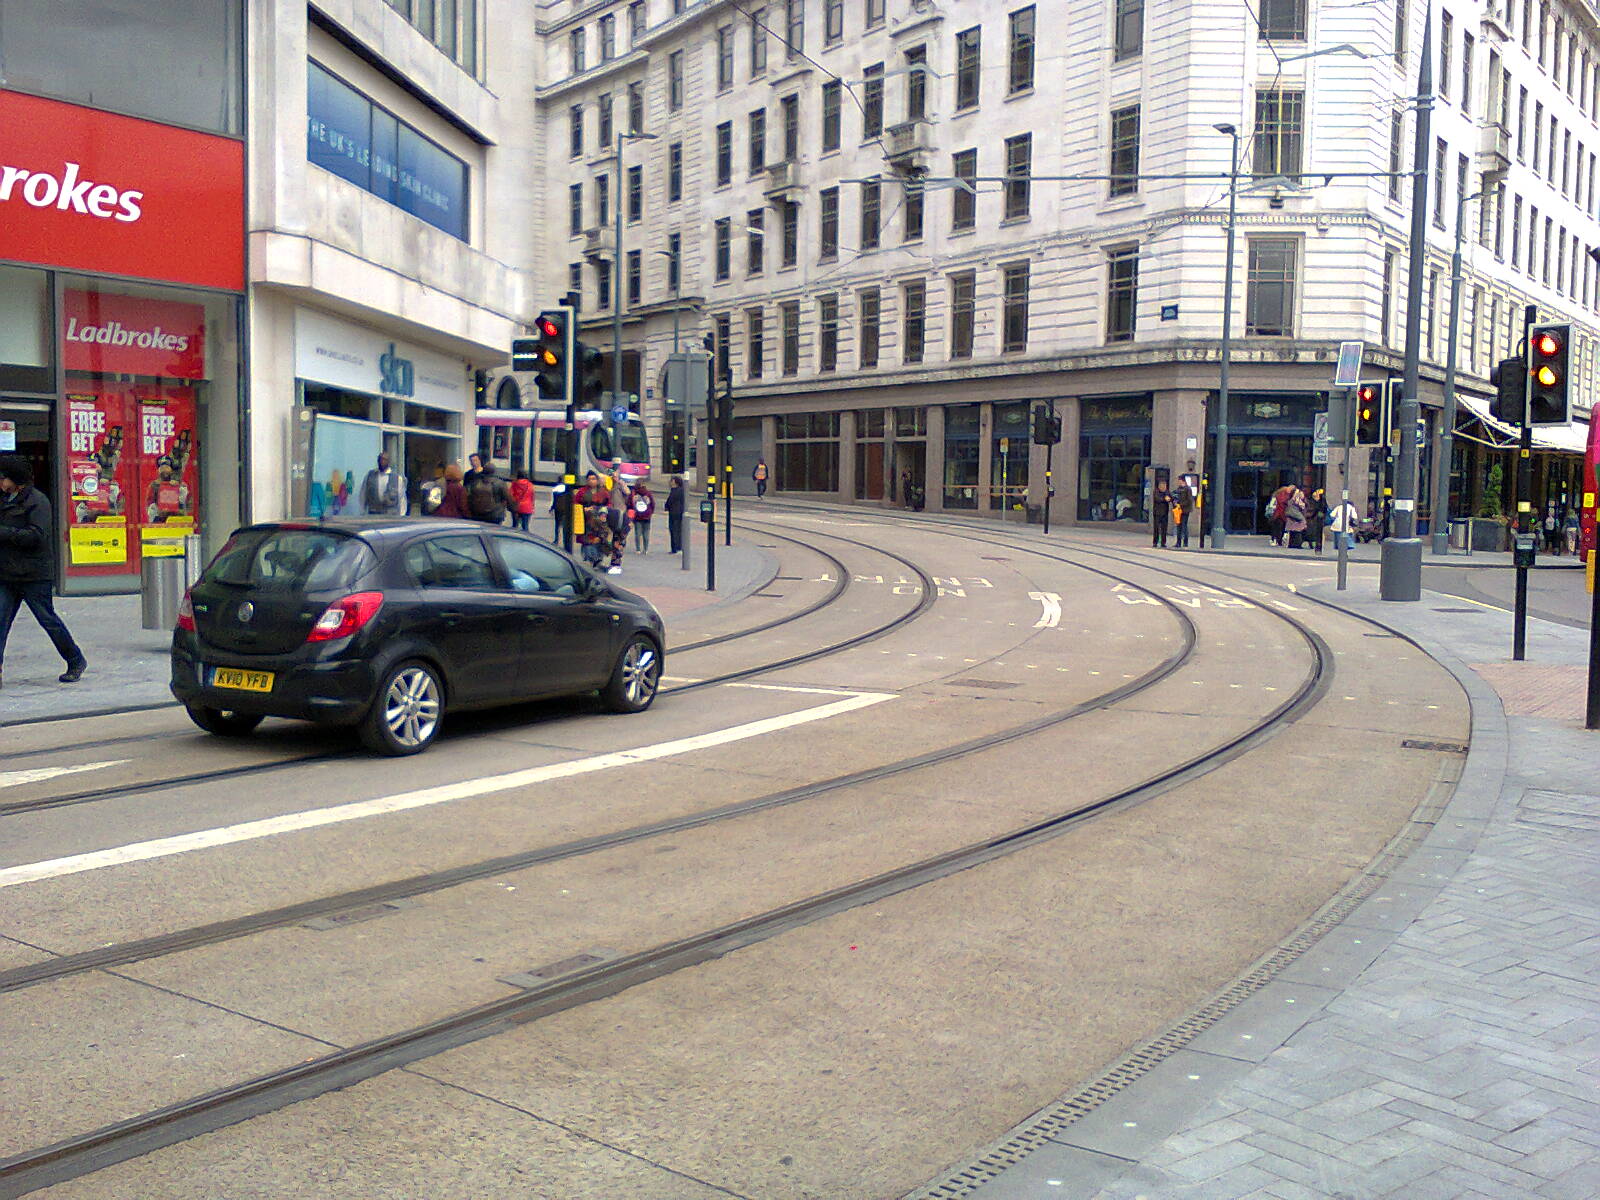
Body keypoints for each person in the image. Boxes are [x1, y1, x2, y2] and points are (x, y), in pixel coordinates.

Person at [0, 455, 87, 688]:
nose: (0, 482)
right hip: (7, 574)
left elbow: (37, 536)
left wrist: (4, 532)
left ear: (15, 480)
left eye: (3, 478)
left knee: (47, 620)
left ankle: (75, 659)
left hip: (34, 575)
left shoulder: (38, 501)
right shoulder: (4, 499)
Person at [573, 471, 611, 568]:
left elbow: (609, 504)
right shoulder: (582, 492)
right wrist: (583, 509)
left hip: (600, 522)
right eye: (589, 479)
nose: (591, 481)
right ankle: (590, 558)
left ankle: (598, 558)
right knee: (588, 540)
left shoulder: (603, 492)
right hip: (586, 521)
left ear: (597, 480)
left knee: (600, 539)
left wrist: (604, 512)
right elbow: (576, 504)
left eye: (593, 479)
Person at [603, 476, 630, 573]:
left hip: (621, 516)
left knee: (618, 541)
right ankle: (605, 561)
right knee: (606, 540)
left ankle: (615, 563)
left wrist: (621, 484)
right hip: (608, 516)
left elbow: (628, 493)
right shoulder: (606, 485)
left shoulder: (620, 486)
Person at [631, 480, 655, 552]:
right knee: (646, 533)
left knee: (638, 533)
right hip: (647, 516)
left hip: (638, 516)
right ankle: (645, 549)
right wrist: (651, 512)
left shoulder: (634, 494)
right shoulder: (648, 493)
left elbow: (630, 504)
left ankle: (638, 549)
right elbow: (653, 504)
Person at [1170, 476, 1194, 548]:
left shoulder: (1188, 489)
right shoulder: (1178, 489)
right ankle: (1178, 542)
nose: (1178, 482)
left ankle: (1185, 542)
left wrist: (1181, 504)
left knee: (1184, 525)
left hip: (1185, 510)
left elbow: (1189, 500)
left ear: (1183, 481)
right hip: (1178, 510)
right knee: (1179, 526)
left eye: (1179, 481)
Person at [1283, 484, 1308, 549]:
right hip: (1295, 513)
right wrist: (1303, 505)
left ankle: (1291, 544)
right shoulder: (1298, 493)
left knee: (1292, 529)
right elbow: (1300, 503)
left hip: (1290, 513)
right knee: (1300, 526)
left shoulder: (1290, 494)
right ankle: (1297, 544)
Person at [666, 475, 686, 553]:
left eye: (672, 481)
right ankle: (678, 546)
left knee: (673, 530)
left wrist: (667, 506)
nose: (670, 482)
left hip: (674, 513)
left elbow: (670, 500)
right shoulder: (681, 490)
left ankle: (675, 548)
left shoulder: (675, 491)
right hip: (679, 512)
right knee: (678, 530)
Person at [1306, 488, 1329, 555]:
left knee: (1316, 533)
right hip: (1316, 520)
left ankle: (1317, 546)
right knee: (1316, 533)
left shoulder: (1318, 501)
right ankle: (1316, 546)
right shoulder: (1317, 501)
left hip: (1315, 520)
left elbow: (1317, 510)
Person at [1151, 479, 1172, 548]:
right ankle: (1155, 542)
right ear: (1159, 486)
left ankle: (1163, 542)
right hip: (1157, 513)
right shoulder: (1156, 492)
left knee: (1164, 529)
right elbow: (1157, 499)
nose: (1163, 487)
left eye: (1165, 486)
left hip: (1165, 513)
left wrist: (1170, 499)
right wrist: (1164, 499)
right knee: (1156, 528)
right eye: (1162, 486)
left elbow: (1170, 498)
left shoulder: (1167, 492)